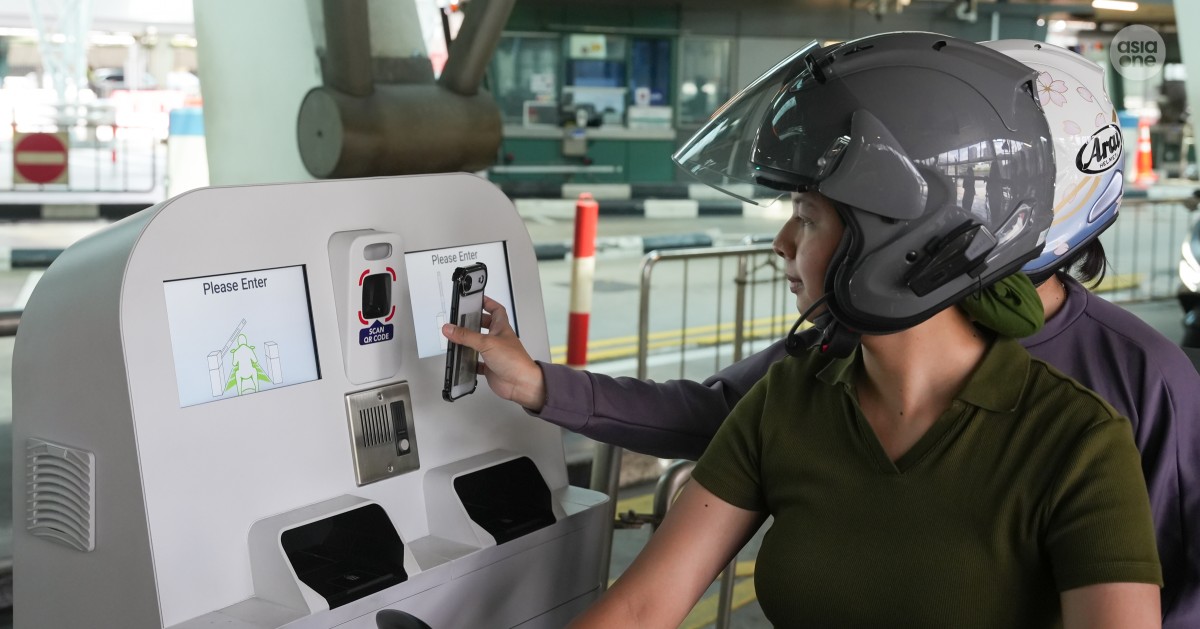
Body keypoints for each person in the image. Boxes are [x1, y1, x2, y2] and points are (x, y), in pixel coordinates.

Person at [445, 39, 1200, 627]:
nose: (780, 248)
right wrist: (542, 384)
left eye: (805, 218)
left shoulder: (1102, 416)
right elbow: (647, 591)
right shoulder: (805, 383)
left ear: (901, 235)